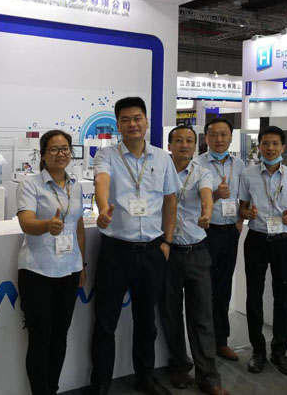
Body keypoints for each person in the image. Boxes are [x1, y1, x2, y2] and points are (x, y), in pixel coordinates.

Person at [89, 97, 180, 395]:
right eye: (126, 119)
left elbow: (170, 200)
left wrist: (167, 241)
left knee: (146, 321)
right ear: (118, 125)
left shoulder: (162, 158)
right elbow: (101, 182)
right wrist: (103, 208)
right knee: (106, 322)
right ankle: (101, 383)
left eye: (137, 118)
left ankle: (145, 377)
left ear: (146, 121)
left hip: (152, 251)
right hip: (116, 251)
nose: (132, 124)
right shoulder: (107, 155)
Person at [159, 125, 230, 395]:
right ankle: (179, 366)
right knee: (171, 314)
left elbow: (206, 195)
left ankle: (209, 376)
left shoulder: (202, 172)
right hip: (168, 251)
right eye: (179, 140)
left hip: (197, 251)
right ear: (170, 145)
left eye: (189, 140)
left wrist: (207, 212)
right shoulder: (160, 170)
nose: (185, 145)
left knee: (202, 316)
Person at [16, 130, 87, 395]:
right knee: (40, 340)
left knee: (60, 337)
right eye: (54, 149)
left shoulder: (75, 185)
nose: (61, 153)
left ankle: (52, 389)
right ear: (43, 155)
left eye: (65, 148)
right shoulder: (30, 184)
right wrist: (47, 225)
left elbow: (78, 226)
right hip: (38, 271)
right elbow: (26, 223)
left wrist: (82, 263)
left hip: (69, 270)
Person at [238, 126, 287, 376]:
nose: (270, 148)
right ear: (259, 146)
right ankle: (258, 351)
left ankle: (279, 352)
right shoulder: (248, 175)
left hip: (284, 241)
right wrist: (247, 213)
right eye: (265, 143)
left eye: (275, 143)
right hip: (256, 239)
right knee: (254, 296)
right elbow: (242, 208)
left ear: (283, 148)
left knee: (282, 297)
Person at [196, 117, 246, 362]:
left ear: (231, 137)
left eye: (224, 134)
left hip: (230, 233)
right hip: (206, 233)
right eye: (214, 135)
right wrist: (215, 195)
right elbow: (191, 201)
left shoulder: (239, 164)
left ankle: (221, 341)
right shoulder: (197, 164)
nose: (219, 139)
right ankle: (203, 344)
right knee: (204, 290)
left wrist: (241, 219)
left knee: (224, 288)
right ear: (206, 138)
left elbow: (244, 195)